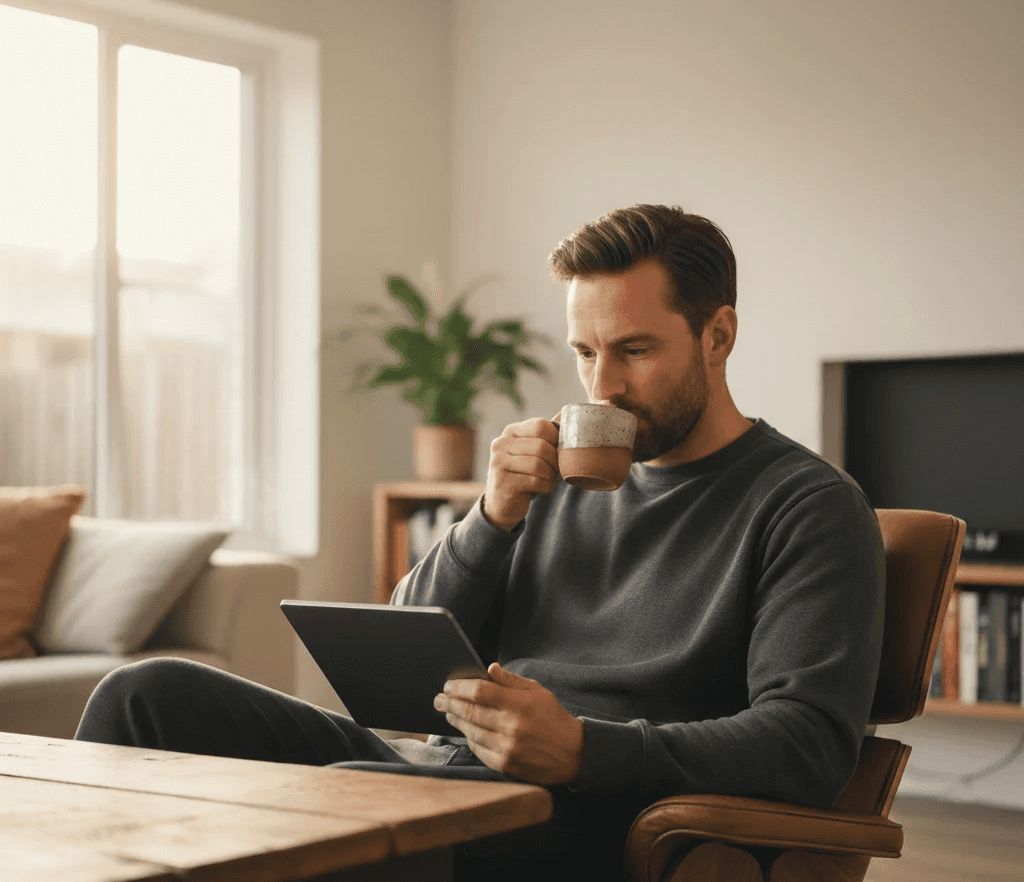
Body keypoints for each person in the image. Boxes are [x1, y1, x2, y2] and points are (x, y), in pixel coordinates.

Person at [75, 204, 885, 880]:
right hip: (454, 767)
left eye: (634, 350)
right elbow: (408, 648)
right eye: (584, 351)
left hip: (598, 812)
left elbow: (807, 743)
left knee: (348, 802)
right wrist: (488, 519)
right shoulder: (551, 482)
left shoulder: (806, 505)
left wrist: (583, 749)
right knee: (145, 696)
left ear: (719, 334)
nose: (602, 384)